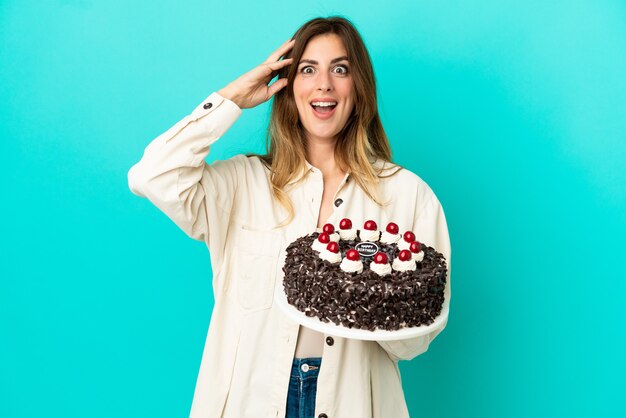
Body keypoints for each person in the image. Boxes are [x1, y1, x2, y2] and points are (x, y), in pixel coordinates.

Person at [128, 15, 451, 418]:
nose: (324, 85)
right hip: (251, 399)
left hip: (353, 402)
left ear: (359, 86)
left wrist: (373, 296)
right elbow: (150, 176)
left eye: (340, 69)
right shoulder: (243, 185)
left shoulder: (408, 195)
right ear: (289, 86)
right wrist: (231, 99)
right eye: (307, 69)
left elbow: (417, 339)